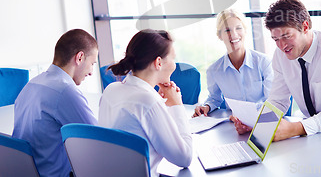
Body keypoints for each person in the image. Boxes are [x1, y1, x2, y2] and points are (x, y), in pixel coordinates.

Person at [233, 0, 321, 141]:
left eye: (286, 36)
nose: (281, 46)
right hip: (317, 135)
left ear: (305, 27)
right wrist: (260, 124)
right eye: (276, 39)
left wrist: (294, 129)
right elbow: (278, 101)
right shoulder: (281, 56)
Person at [98, 29, 192, 176]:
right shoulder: (147, 101)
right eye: (173, 59)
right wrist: (176, 106)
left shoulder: (111, 90)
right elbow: (184, 157)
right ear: (158, 62)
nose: (175, 65)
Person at [13, 29, 98, 177]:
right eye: (92, 63)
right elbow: (99, 141)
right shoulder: (64, 90)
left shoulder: (32, 84)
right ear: (80, 57)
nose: (91, 72)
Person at [193, 9, 273, 117]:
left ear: (245, 31)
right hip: (233, 125)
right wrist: (206, 106)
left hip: (261, 120)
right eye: (227, 30)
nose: (234, 34)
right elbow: (214, 98)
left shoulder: (264, 62)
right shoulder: (214, 70)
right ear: (220, 35)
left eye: (238, 28)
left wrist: (249, 118)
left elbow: (271, 101)